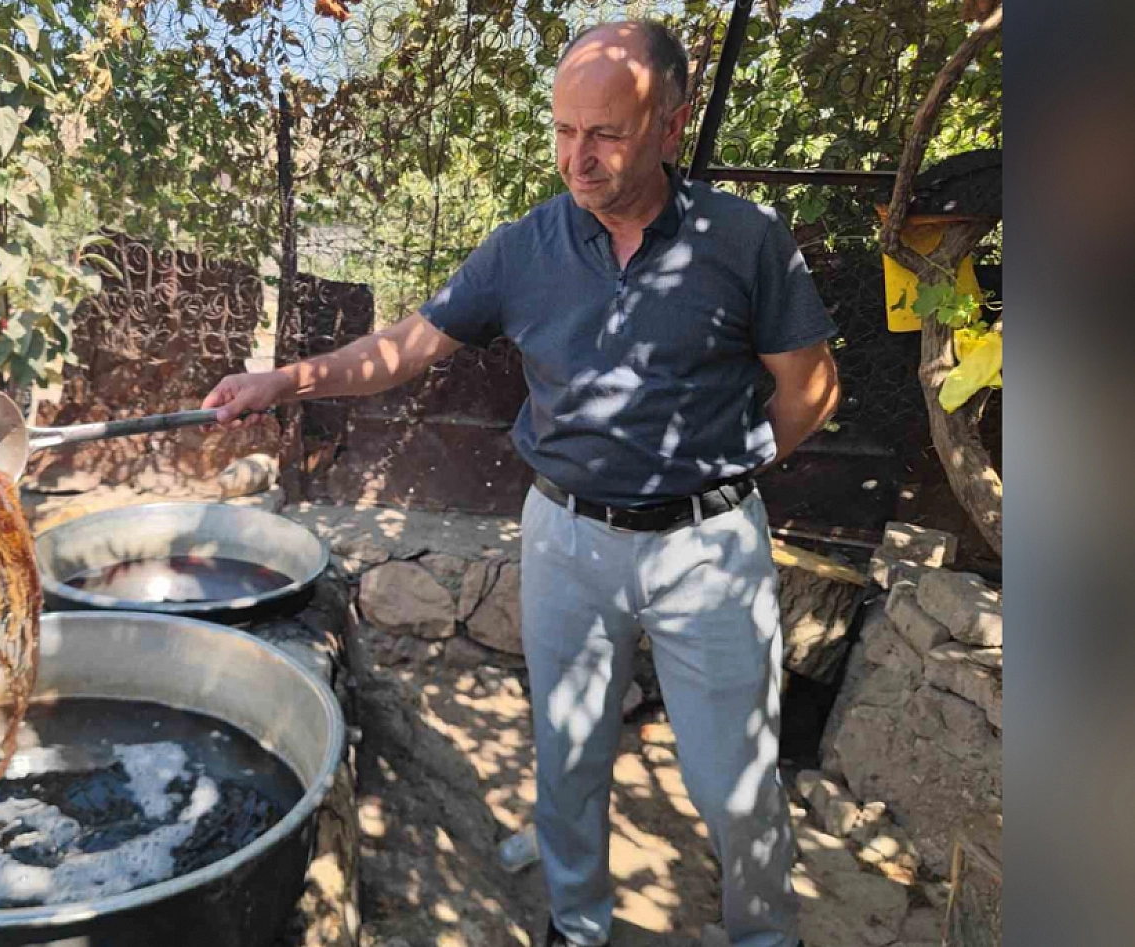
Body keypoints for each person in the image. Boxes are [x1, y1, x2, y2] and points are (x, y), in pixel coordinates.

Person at [204, 18, 838, 947]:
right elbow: (403, 349)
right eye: (563, 131)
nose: (577, 159)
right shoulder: (525, 248)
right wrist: (288, 378)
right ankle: (576, 925)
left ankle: (765, 934)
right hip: (567, 539)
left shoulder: (743, 240)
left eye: (606, 135)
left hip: (708, 549)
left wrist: (715, 481)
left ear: (671, 125)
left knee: (732, 780)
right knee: (569, 755)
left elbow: (810, 391)